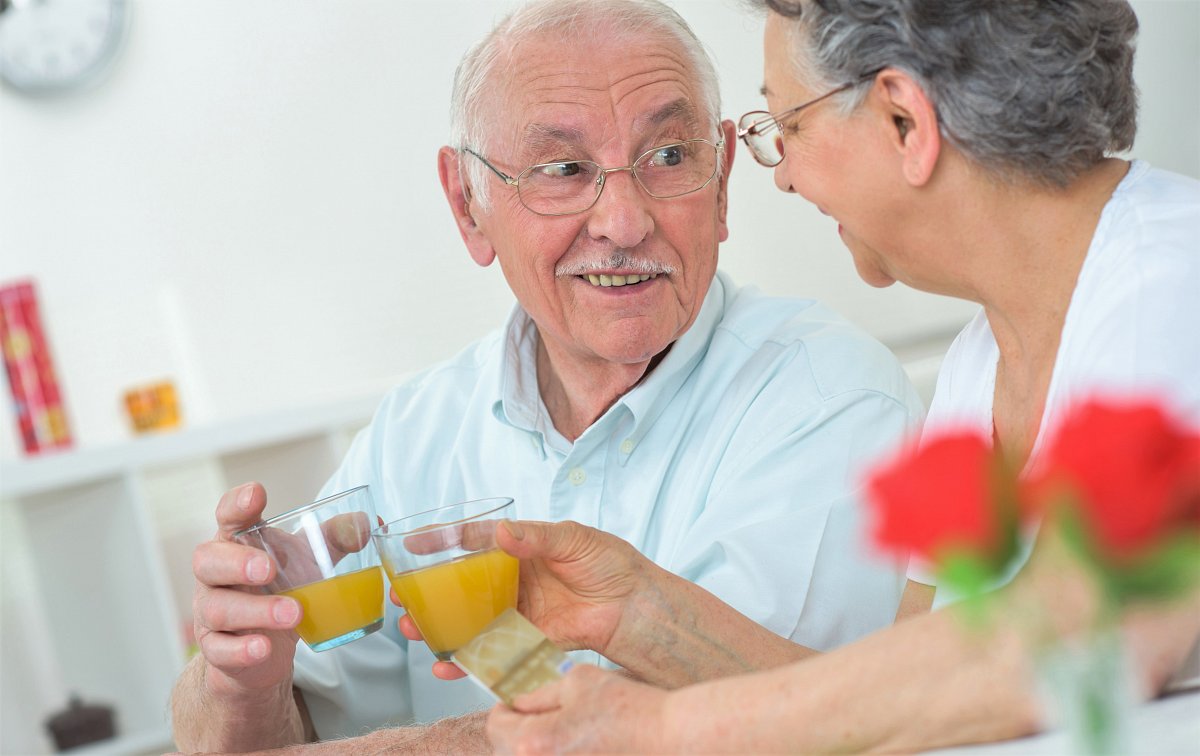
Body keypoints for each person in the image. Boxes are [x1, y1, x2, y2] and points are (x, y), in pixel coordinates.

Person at [168, 0, 926, 752]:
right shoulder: (413, 432)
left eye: (669, 156)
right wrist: (238, 680)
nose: (624, 223)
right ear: (469, 205)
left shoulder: (828, 396)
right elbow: (268, 727)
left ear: (722, 178)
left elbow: (698, 731)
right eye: (564, 170)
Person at [484, 0, 1200, 752]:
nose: (784, 176)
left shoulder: (1173, 280)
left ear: (903, 122)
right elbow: (912, 702)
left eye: (786, 126)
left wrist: (665, 730)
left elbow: (1075, 637)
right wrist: (638, 612)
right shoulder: (981, 359)